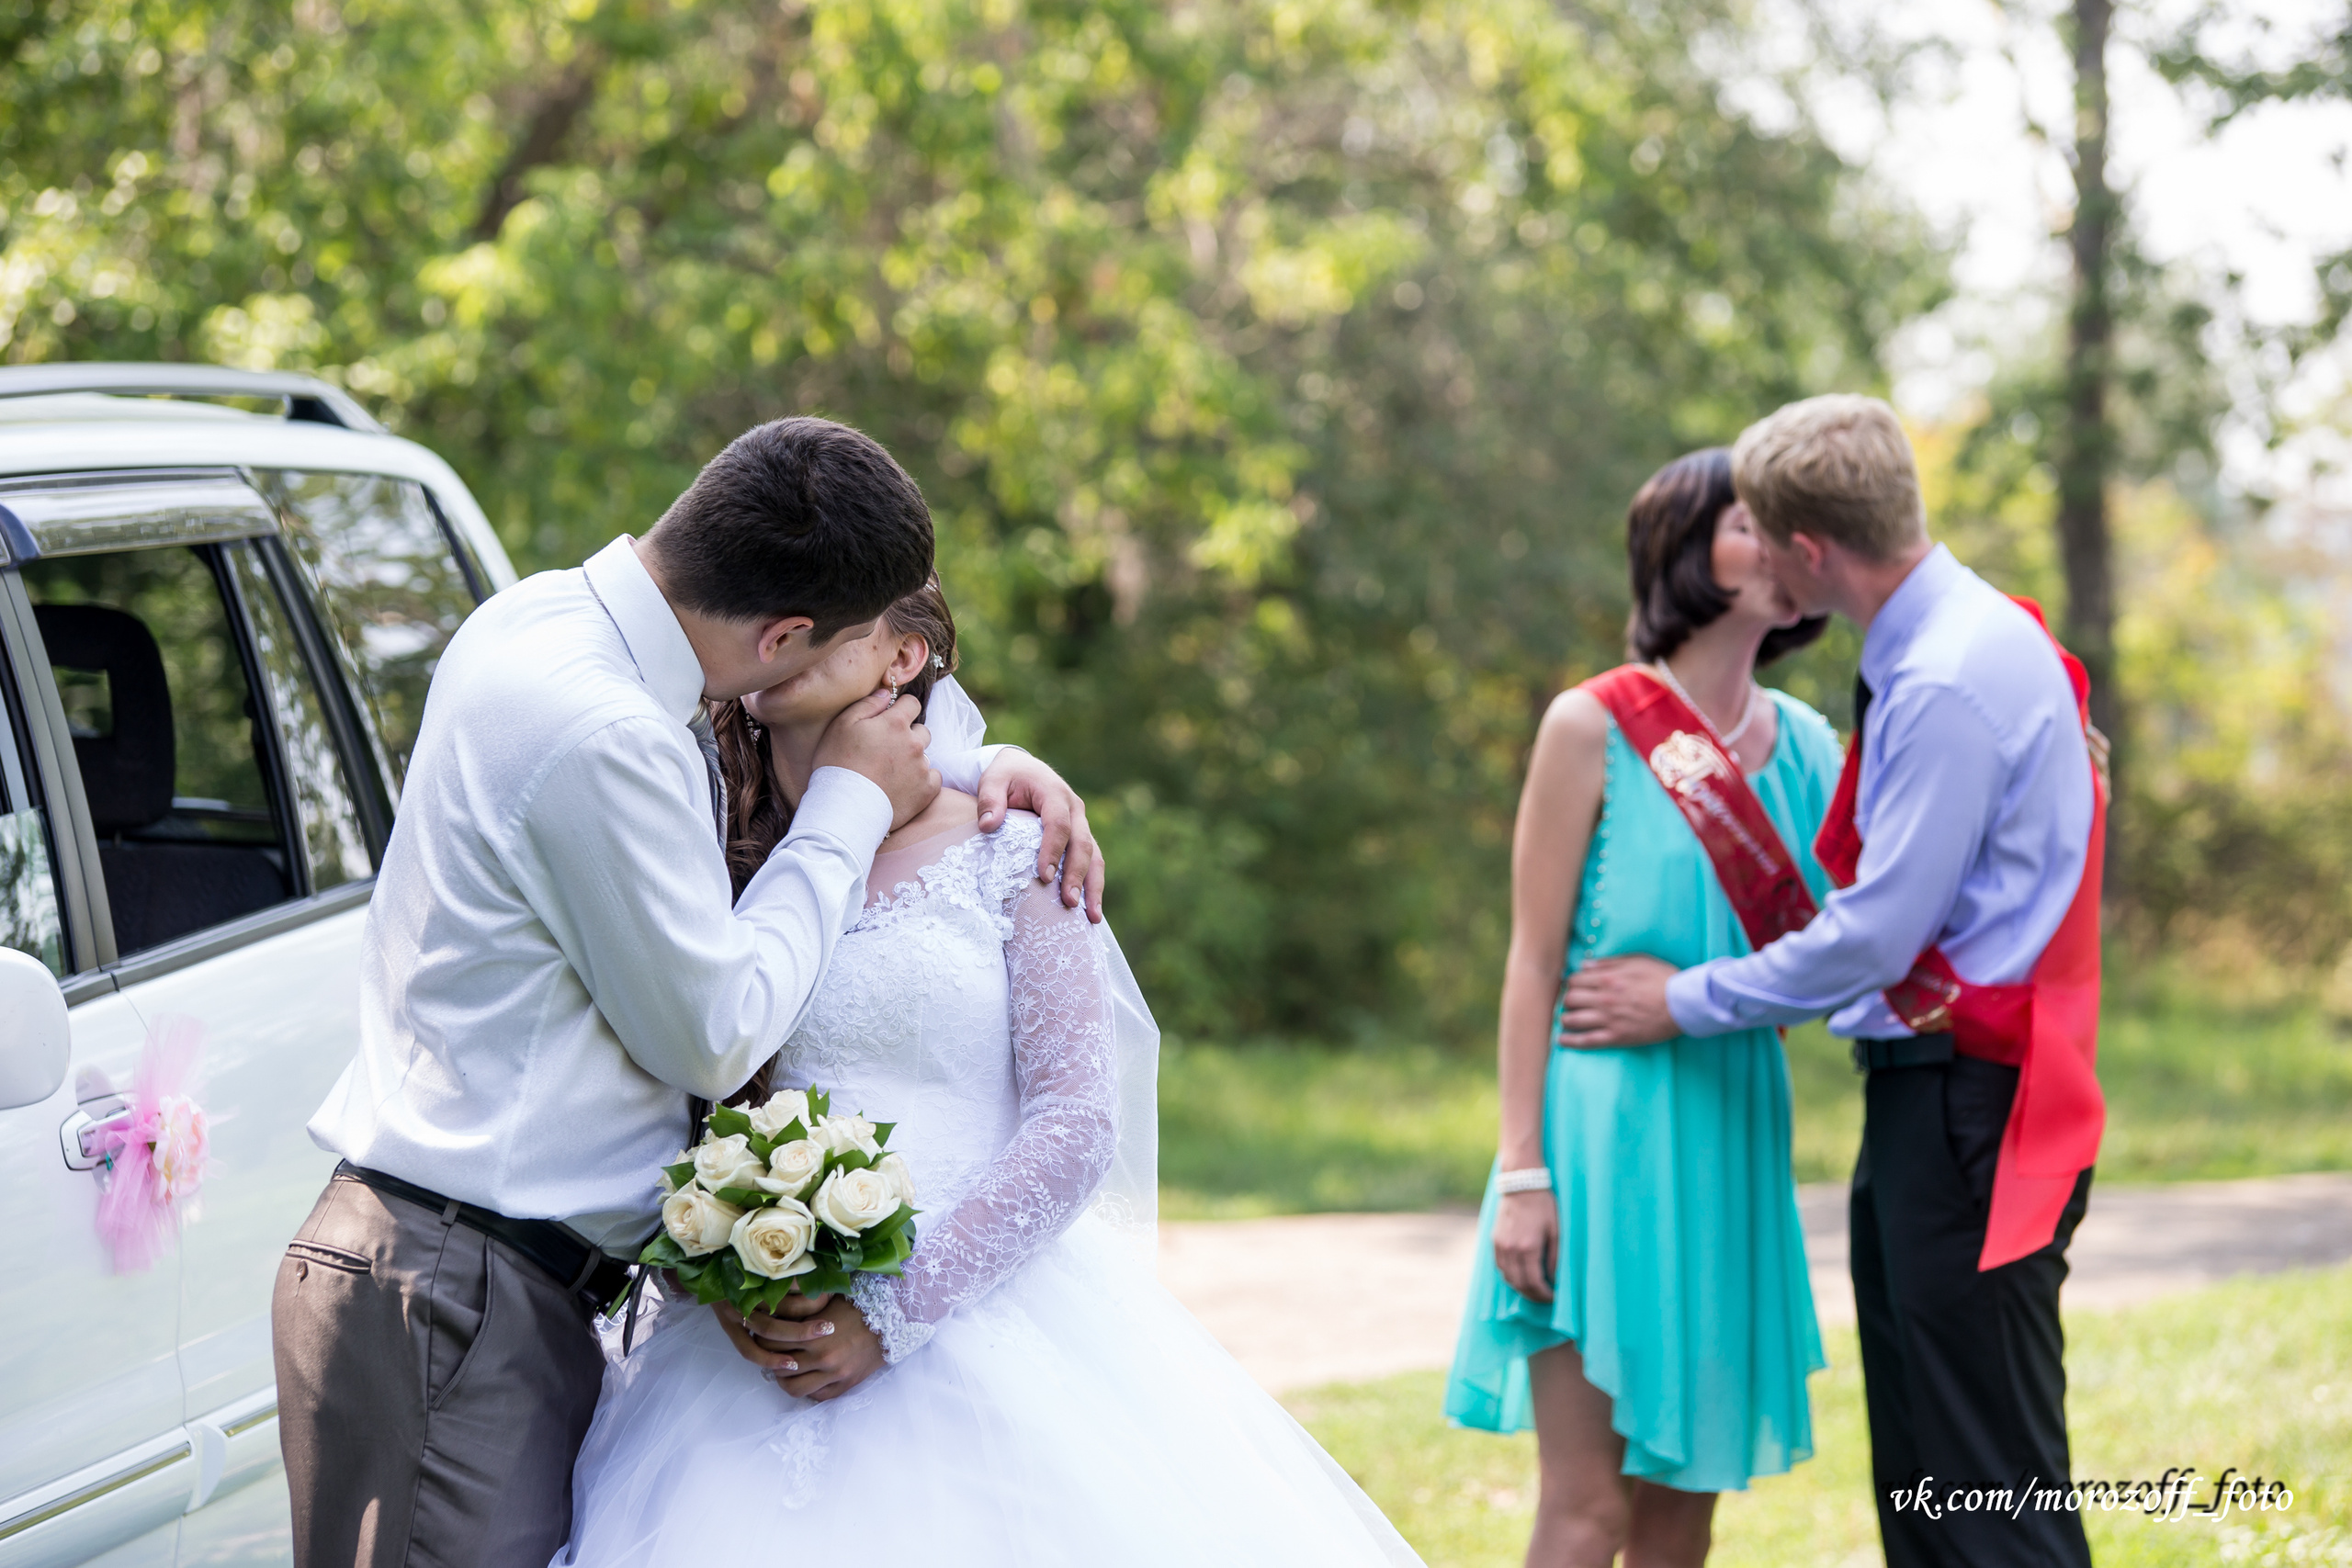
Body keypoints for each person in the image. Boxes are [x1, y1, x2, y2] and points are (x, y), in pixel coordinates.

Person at [274, 418, 1104, 1568]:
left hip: (495, 1284)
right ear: (783, 635)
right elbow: (715, 1041)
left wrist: (986, 766)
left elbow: (1075, 1115)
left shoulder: (535, 620)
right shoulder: (613, 733)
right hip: (462, 1286)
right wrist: (851, 806)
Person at [553, 577, 1422, 1568]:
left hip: (974, 1317)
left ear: (904, 657)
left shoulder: (1012, 849)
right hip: (741, 1354)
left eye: (824, 617)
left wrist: (890, 1314)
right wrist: (731, 1276)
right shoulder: (715, 856)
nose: (779, 631)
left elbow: (1075, 1122)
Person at [1559, 395, 2105, 1568]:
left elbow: (1871, 935)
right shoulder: (1956, 641)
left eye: (1760, 528)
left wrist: (1681, 1000)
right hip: (1932, 1099)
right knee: (1928, 1475)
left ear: (1809, 553)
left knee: (1986, 1488)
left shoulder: (1946, 677)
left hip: (1969, 1108)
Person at [1444, 448, 1839, 1568]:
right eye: (1750, 525)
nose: (1780, 548)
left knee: (1682, 1517)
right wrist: (1521, 1172)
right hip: (1594, 1144)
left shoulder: (1810, 747)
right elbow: (1529, 965)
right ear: (1683, 544)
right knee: (1588, 1511)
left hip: (1733, 1134)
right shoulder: (1593, 726)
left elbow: (1844, 948)